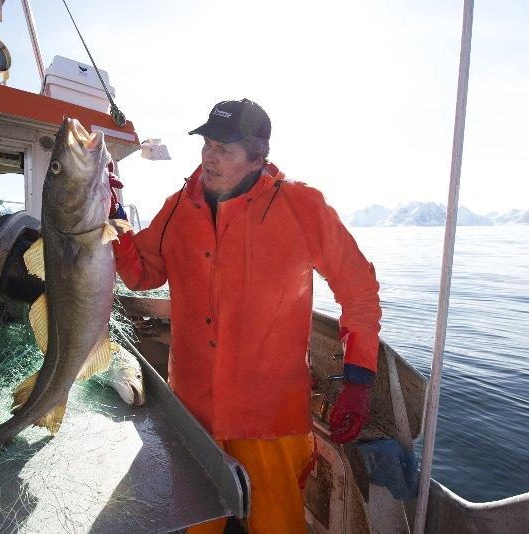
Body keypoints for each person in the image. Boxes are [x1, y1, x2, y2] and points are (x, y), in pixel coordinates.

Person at [112, 99, 381, 533]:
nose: (210, 158)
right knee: (197, 522)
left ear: (258, 158)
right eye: (208, 144)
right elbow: (142, 273)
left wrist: (358, 377)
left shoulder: (302, 205)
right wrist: (111, 218)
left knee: (278, 525)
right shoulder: (178, 207)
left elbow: (360, 290)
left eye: (226, 150)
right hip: (194, 409)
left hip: (270, 415)